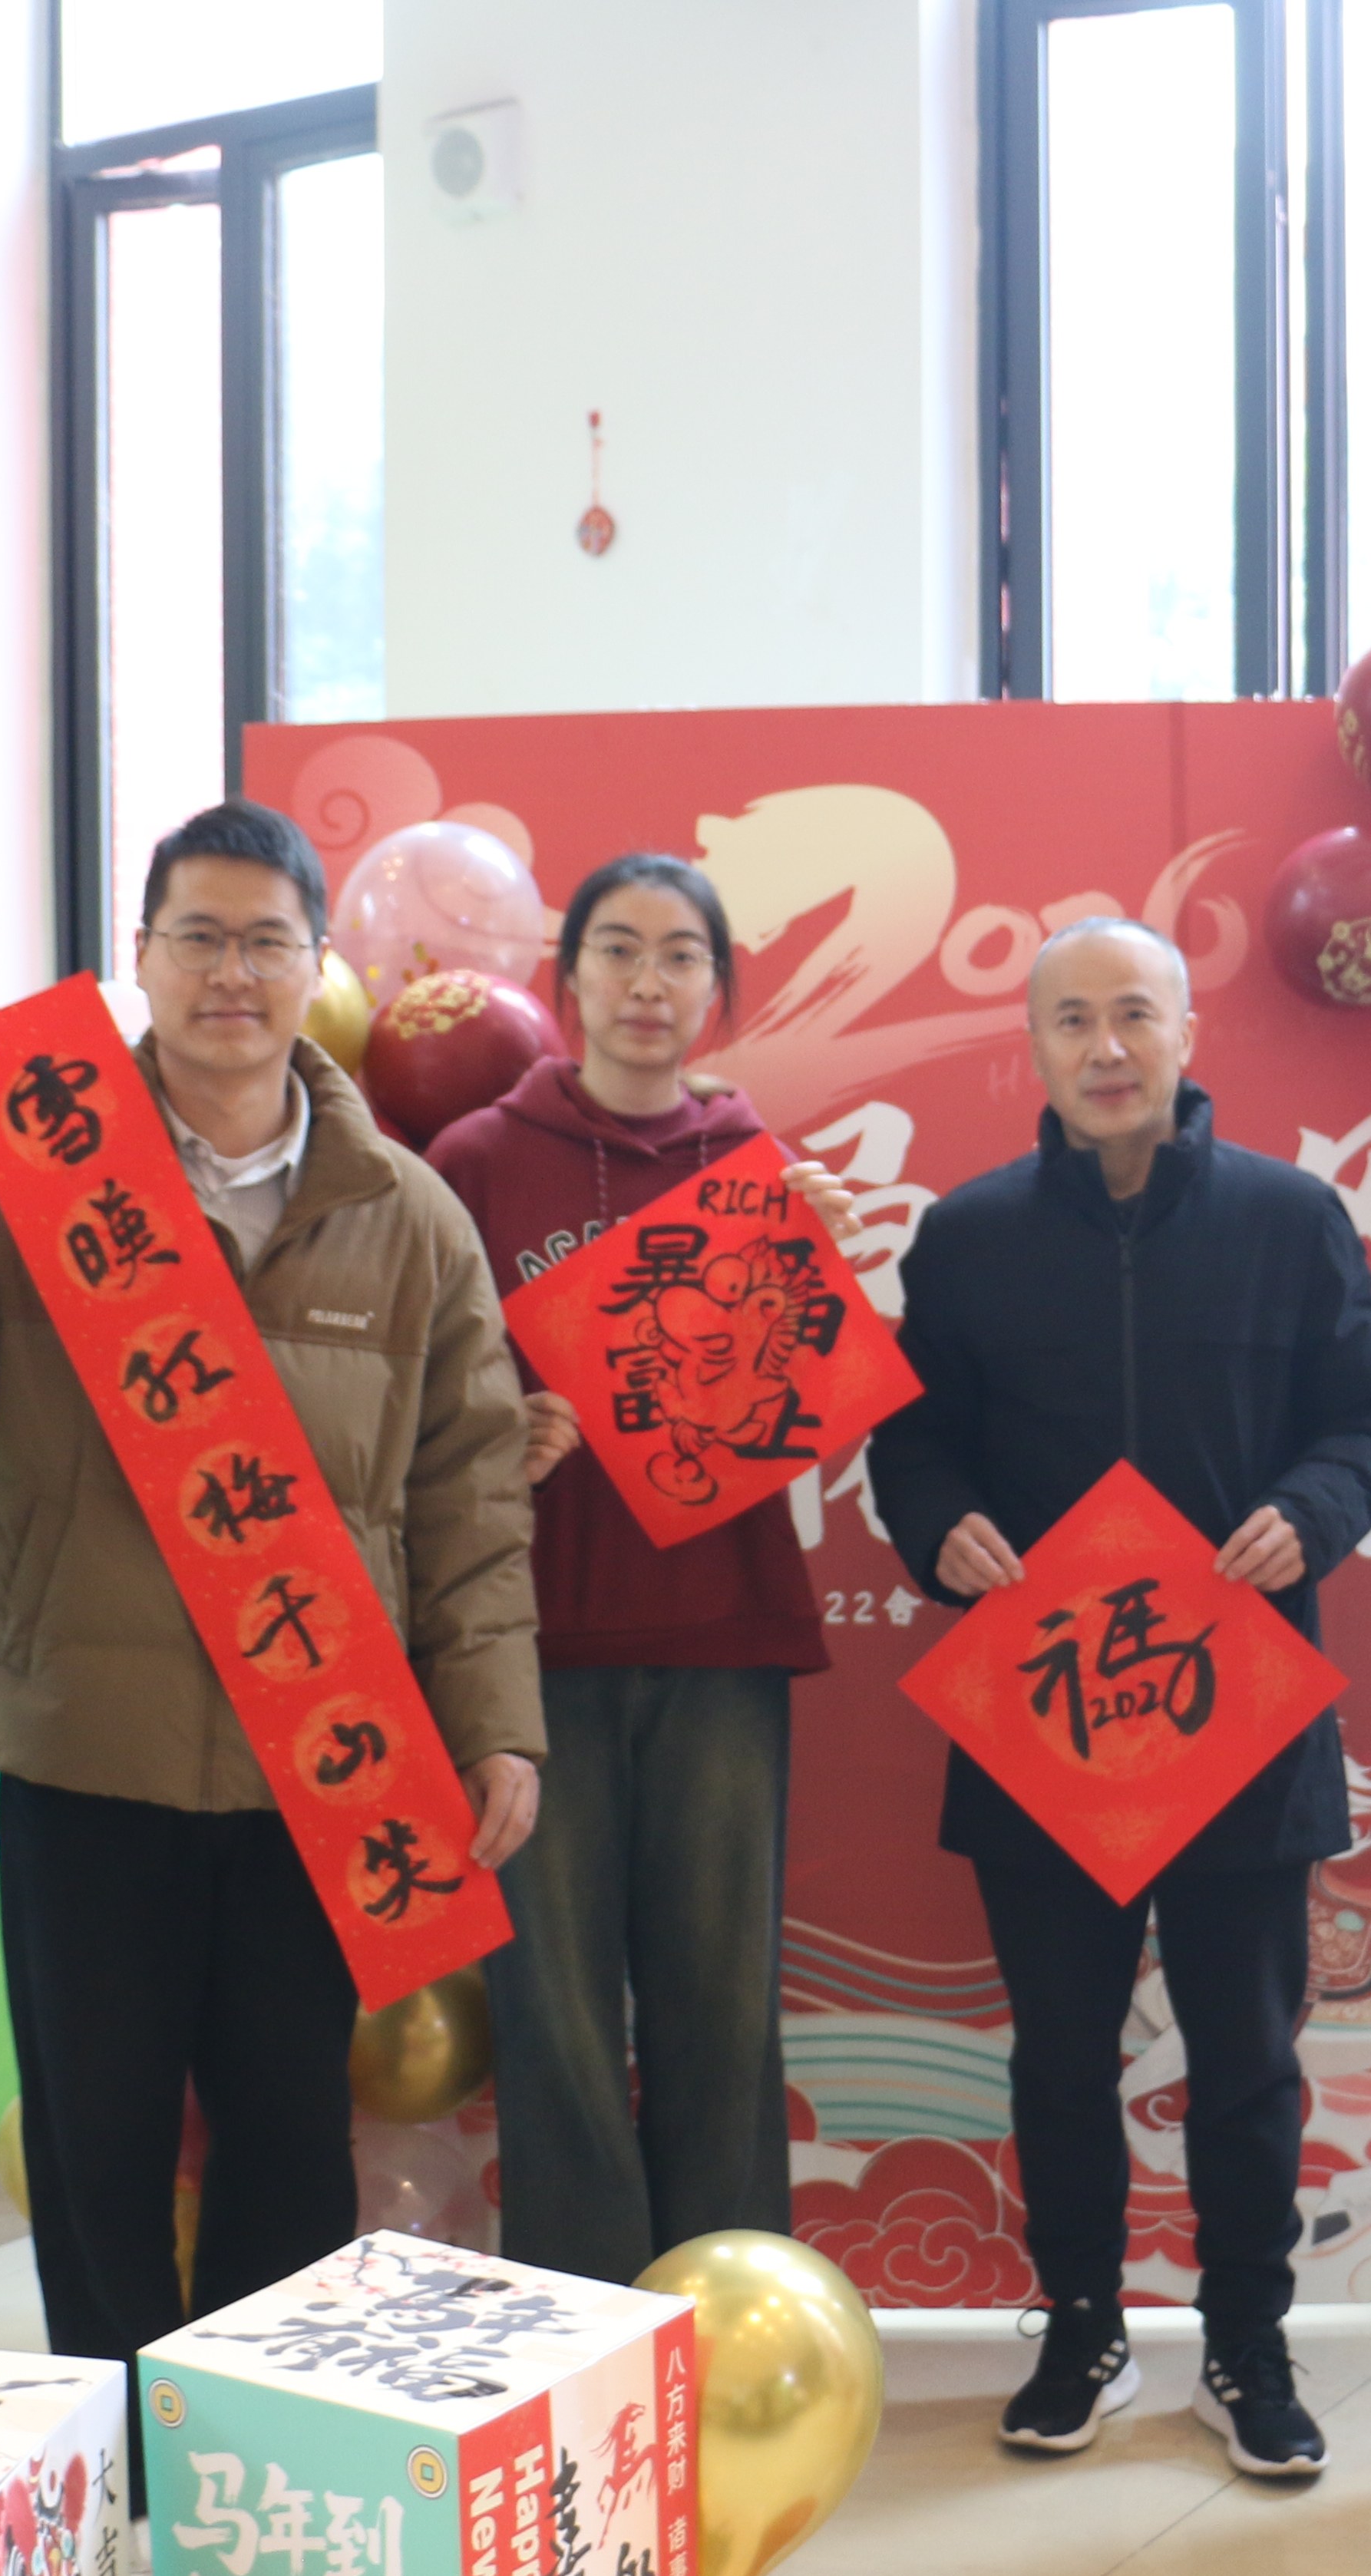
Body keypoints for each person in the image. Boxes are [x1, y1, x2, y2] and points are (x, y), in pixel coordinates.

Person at [0, 800, 541, 2423]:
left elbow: (471, 1500)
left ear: (317, 964)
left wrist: (495, 1726)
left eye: (266, 940)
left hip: (319, 1760)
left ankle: (252, 2474)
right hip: (90, 1751)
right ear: (137, 960)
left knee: (289, 2143)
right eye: (196, 937)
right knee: (99, 2149)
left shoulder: (407, 1212)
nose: (231, 973)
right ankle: (113, 2484)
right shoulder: (38, 1180)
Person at [868, 918, 1371, 2480]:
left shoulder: (1290, 1219)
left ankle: (1249, 2342)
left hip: (1238, 1708)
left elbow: (1369, 1413)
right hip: (1044, 1712)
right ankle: (1081, 2327)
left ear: (1185, 1034)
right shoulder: (968, 1235)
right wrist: (940, 1524)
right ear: (1033, 1049)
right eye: (1071, 1021)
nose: (1104, 1049)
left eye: (1132, 1015)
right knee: (1059, 2053)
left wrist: (1311, 1510)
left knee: (1248, 2058)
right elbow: (913, 1439)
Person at [424, 852, 867, 2285]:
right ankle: (589, 2339)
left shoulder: (759, 1167)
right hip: (533, 1647)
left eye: (682, 956)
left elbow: (788, 1404)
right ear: (567, 982)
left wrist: (817, 1282)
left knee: (722, 2007)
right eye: (618, 949)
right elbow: (419, 1403)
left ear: (719, 992)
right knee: (553, 2016)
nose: (648, 982)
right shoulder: (477, 1161)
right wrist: (503, 1429)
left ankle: (732, 2324)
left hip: (721, 1633)